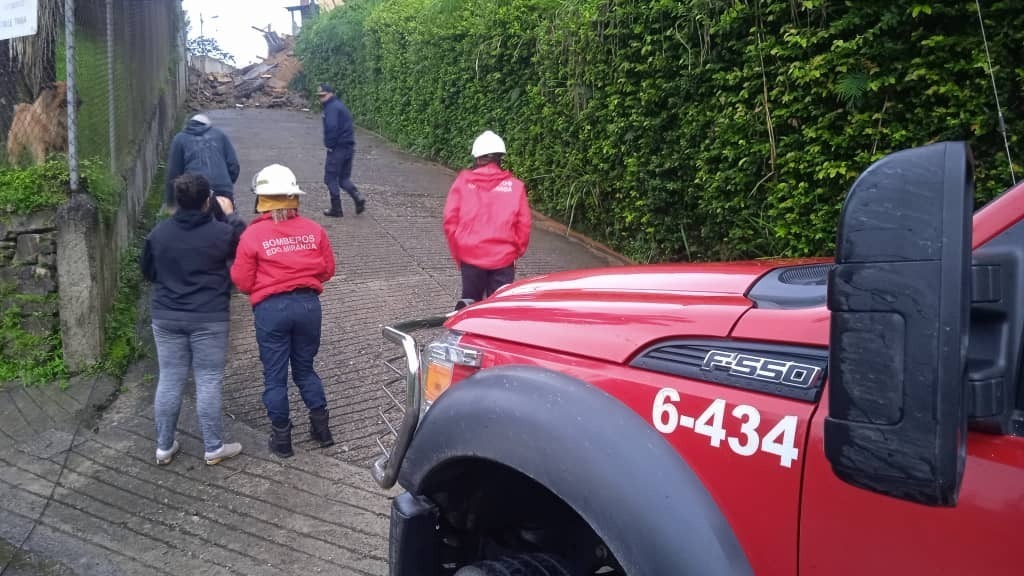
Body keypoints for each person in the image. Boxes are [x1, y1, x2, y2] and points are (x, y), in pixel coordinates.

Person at [230, 163, 337, 458]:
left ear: (260, 199)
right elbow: (327, 270)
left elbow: (241, 280)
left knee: (275, 377)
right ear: (294, 197)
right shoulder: (314, 230)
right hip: (308, 306)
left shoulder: (252, 236)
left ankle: (282, 440)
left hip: (271, 309)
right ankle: (322, 429)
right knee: (305, 369)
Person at [141, 173, 247, 466]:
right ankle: (213, 447)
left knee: (170, 378)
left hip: (166, 315)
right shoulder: (222, 233)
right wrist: (231, 215)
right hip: (209, 316)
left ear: (177, 202)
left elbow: (148, 273)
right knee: (208, 379)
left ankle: (164, 446)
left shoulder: (158, 234)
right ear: (206, 202)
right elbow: (245, 249)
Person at [443, 130, 532, 308]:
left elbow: (449, 222)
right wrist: (515, 252)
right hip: (504, 260)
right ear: (500, 158)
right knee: (498, 309)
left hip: (470, 257)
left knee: (470, 305)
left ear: (477, 158)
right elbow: (524, 226)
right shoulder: (516, 187)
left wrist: (459, 253)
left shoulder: (463, 182)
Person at [164, 113, 241, 220]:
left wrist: (171, 204)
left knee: (196, 225)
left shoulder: (179, 139)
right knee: (228, 224)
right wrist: (226, 183)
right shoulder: (219, 134)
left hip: (194, 192)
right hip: (222, 190)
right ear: (208, 124)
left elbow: (173, 174)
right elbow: (233, 166)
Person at [316, 83, 366, 218]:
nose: (321, 99)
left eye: (324, 95)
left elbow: (332, 127)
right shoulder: (339, 106)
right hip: (348, 147)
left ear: (331, 94)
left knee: (330, 178)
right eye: (320, 96)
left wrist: (330, 144)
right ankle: (358, 197)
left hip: (337, 148)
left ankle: (336, 209)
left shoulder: (331, 108)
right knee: (343, 179)